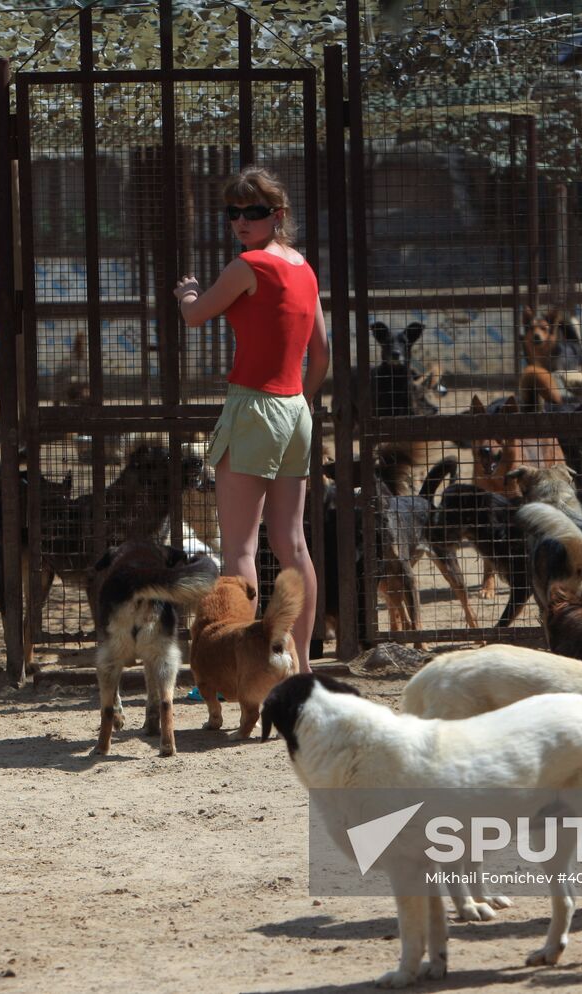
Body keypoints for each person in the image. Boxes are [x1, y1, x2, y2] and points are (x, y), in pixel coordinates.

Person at [174, 166, 329, 674]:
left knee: (240, 547)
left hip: (254, 407)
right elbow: (322, 353)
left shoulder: (248, 266)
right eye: (233, 213)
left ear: (277, 215)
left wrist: (187, 294)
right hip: (296, 409)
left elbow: (196, 318)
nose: (241, 222)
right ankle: (302, 664)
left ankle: (247, 666)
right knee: (293, 543)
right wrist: (301, 400)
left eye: (253, 212)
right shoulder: (304, 268)